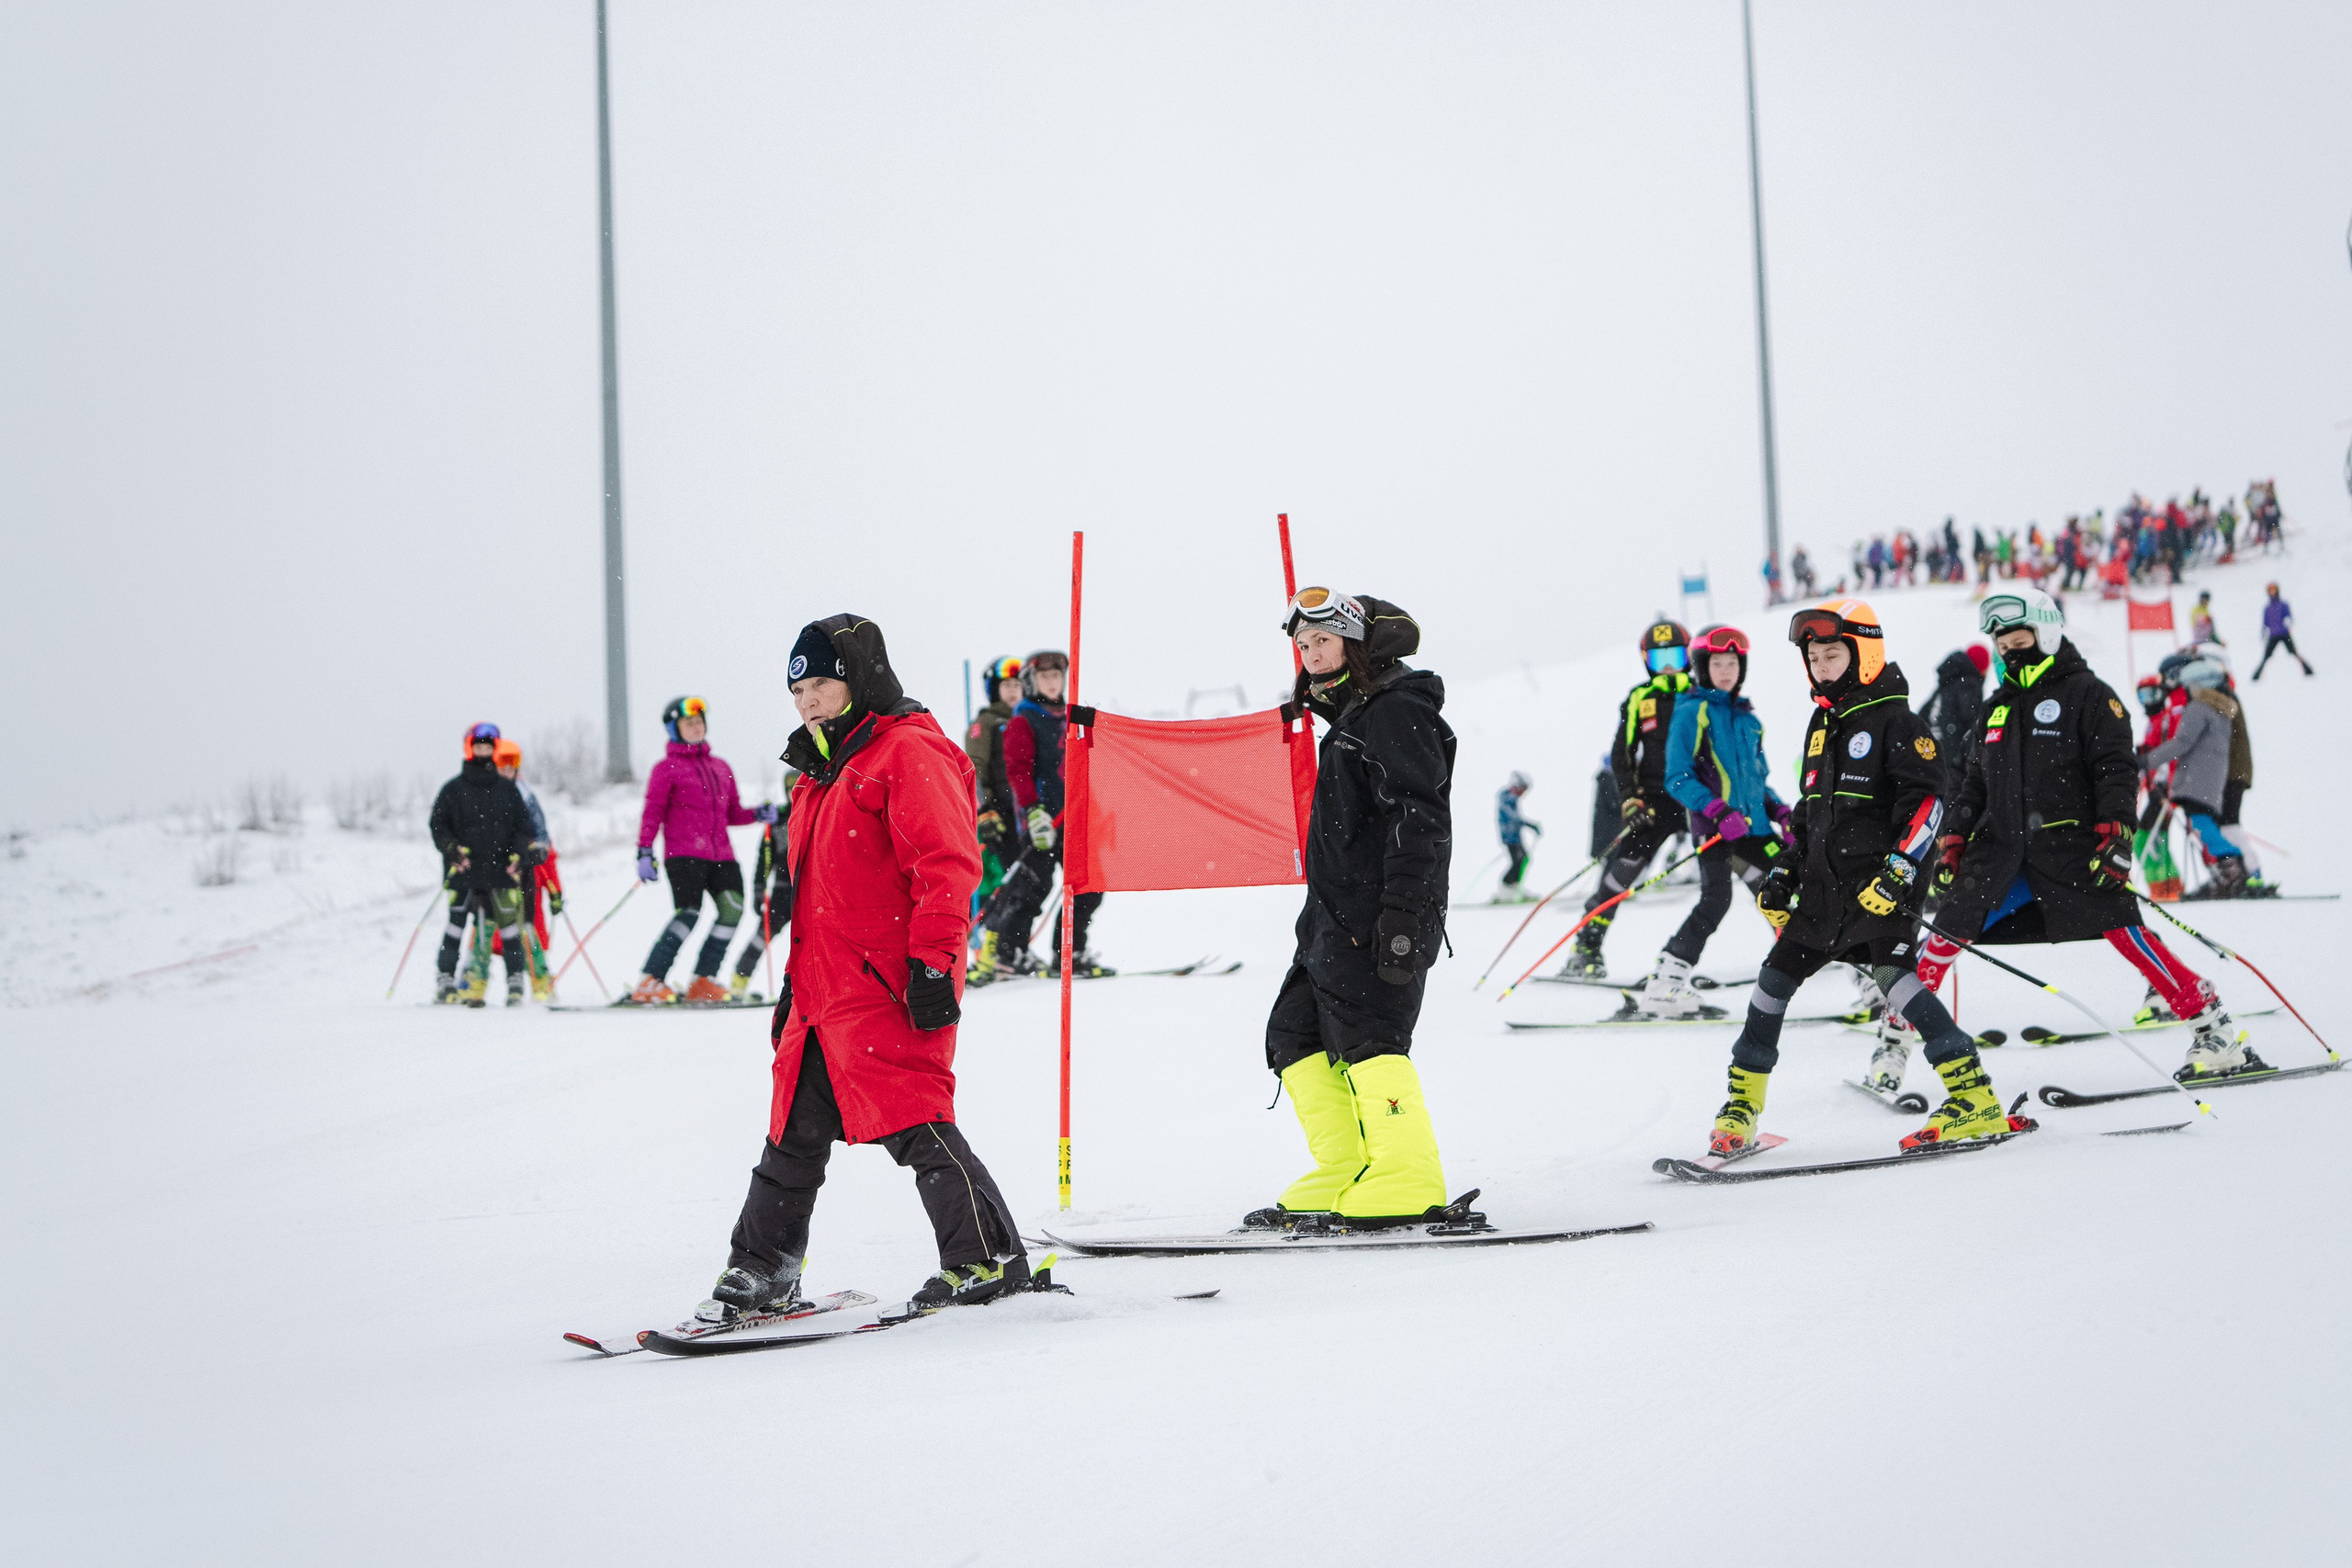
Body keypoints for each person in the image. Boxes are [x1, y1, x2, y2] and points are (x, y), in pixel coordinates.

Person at [691, 613, 1039, 1329]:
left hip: (890, 983)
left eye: (821, 683)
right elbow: (819, 899)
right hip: (823, 993)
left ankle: (988, 1259)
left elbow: (945, 866)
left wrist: (936, 964)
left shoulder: (907, 752)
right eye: (798, 691)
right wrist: (793, 987)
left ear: (857, 678)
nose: (808, 701)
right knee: (791, 1134)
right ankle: (762, 1270)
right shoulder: (821, 772)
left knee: (917, 1119)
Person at [1917, 589, 2264, 1084]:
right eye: (2003, 644)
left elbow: (2115, 771)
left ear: (2048, 633)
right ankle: (1895, 1042)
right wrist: (1954, 838)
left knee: (2126, 934)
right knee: (1944, 937)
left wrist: (2117, 834)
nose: (2012, 652)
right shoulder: (1996, 708)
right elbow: (1973, 784)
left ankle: (2212, 1028)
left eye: (2021, 639)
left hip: (2072, 850)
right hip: (1998, 855)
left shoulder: (2088, 695)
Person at [1704, 600, 2013, 1154]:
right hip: (1825, 894)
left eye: (1833, 654)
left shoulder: (1898, 722)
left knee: (1900, 984)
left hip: (1876, 894)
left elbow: (1927, 806)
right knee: (1772, 985)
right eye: (1815, 657)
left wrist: (1897, 874)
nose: (1822, 666)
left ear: (1864, 655)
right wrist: (1781, 870)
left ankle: (1975, 1097)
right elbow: (1808, 814)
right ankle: (1742, 1107)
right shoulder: (1823, 724)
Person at [1254, 588, 1456, 1229]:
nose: (1312, 653)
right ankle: (1349, 1164)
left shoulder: (1397, 709)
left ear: (1355, 642)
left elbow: (1419, 819)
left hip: (1381, 915)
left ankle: (1407, 1174)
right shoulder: (1353, 714)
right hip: (1331, 918)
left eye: (1324, 640)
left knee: (1372, 1038)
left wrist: (1402, 915)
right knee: (1294, 1033)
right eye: (1304, 643)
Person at [1635, 626, 1791, 1017]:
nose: (1726, 670)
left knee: (1792, 895)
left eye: (1733, 663)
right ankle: (1664, 985)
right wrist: (1718, 811)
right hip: (1716, 829)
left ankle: (1816, 972)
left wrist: (1783, 812)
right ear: (1703, 667)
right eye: (1717, 663)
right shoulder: (1692, 712)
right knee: (1716, 900)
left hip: (1754, 830)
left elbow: (1758, 782)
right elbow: (1677, 777)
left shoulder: (1747, 719)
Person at [1556, 620, 1695, 979]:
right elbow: (1622, 755)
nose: (1668, 664)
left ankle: (1791, 941)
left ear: (1688, 655)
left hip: (1697, 799)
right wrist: (1630, 800)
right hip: (1653, 805)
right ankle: (1586, 948)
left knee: (1745, 864)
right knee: (1618, 878)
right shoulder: (1639, 698)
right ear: (1647, 660)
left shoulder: (1700, 694)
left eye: (1675, 655)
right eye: (1660, 656)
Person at [971, 649, 1114, 980]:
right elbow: (1017, 771)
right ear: (1031, 682)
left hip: (1073, 815)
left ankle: (1070, 952)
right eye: (1044, 677)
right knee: (1034, 886)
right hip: (1040, 820)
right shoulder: (1023, 719)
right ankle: (1009, 952)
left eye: (1056, 676)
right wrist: (1032, 811)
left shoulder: (1070, 715)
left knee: (1087, 886)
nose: (1052, 682)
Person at [629, 697, 778, 1005]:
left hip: (721, 855)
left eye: (699, 722)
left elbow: (732, 813)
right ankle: (650, 980)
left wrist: (758, 814)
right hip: (684, 855)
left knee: (733, 909)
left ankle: (703, 980)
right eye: (688, 723)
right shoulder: (666, 769)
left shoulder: (721, 767)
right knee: (689, 913)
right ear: (675, 730)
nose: (696, 727)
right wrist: (644, 850)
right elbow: (652, 812)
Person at [427, 723, 542, 1007]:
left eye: (488, 747)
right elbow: (438, 824)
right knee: (456, 925)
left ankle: (515, 982)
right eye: (478, 746)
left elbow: (523, 826)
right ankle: (445, 979)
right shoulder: (453, 789)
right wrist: (452, 850)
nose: (483, 751)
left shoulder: (507, 790)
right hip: (464, 869)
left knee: (509, 928)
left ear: (494, 749)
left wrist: (518, 854)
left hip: (499, 869)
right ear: (469, 748)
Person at [2142, 658, 2253, 899]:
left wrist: (2148, 760)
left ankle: (2231, 865)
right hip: (2211, 778)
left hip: (2197, 779)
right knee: (2203, 824)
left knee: (2202, 825)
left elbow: (2182, 742)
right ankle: (2224, 874)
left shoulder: (2198, 708)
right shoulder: (2220, 708)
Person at [963, 656, 1029, 974]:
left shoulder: (1028, 719)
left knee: (1026, 883)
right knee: (1004, 883)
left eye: (1018, 684)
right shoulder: (988, 723)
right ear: (994, 689)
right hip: (999, 815)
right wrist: (985, 809)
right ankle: (989, 952)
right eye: (1007, 685)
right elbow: (974, 769)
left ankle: (1012, 950)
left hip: (1026, 815)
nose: (1014, 691)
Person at [489, 738, 563, 1001]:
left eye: (513, 766)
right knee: (491, 925)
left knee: (529, 924)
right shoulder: (485, 794)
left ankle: (540, 979)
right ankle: (477, 978)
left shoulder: (525, 794)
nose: (508, 771)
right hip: (496, 870)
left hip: (525, 868)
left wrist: (538, 849)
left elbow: (540, 833)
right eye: (502, 766)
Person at [727, 784, 794, 999]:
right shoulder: (778, 820)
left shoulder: (817, 811)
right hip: (784, 890)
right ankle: (739, 982)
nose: (794, 792)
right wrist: (759, 890)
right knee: (761, 936)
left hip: (812, 890)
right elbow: (764, 861)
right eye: (789, 787)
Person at [1917, 642, 1992, 799]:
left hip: (1928, 757)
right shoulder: (1970, 684)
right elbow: (1973, 725)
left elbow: (1921, 716)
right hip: (1951, 762)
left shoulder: (1946, 685)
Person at [1494, 772, 1541, 902]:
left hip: (1515, 836)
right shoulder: (1507, 797)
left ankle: (1514, 887)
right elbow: (1513, 817)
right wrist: (1530, 825)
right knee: (1518, 860)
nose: (1523, 793)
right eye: (1523, 789)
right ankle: (1506, 889)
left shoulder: (1511, 798)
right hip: (1509, 837)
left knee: (1524, 859)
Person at [2251, 583, 2312, 679]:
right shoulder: (2268, 608)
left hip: (2284, 634)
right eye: (2270, 590)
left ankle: (2308, 670)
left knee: (2293, 652)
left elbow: (2289, 617)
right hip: (2273, 635)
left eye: (2273, 590)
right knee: (2266, 655)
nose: (2272, 592)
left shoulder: (2283, 605)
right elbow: (2265, 623)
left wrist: (2287, 623)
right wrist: (2263, 633)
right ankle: (2257, 675)